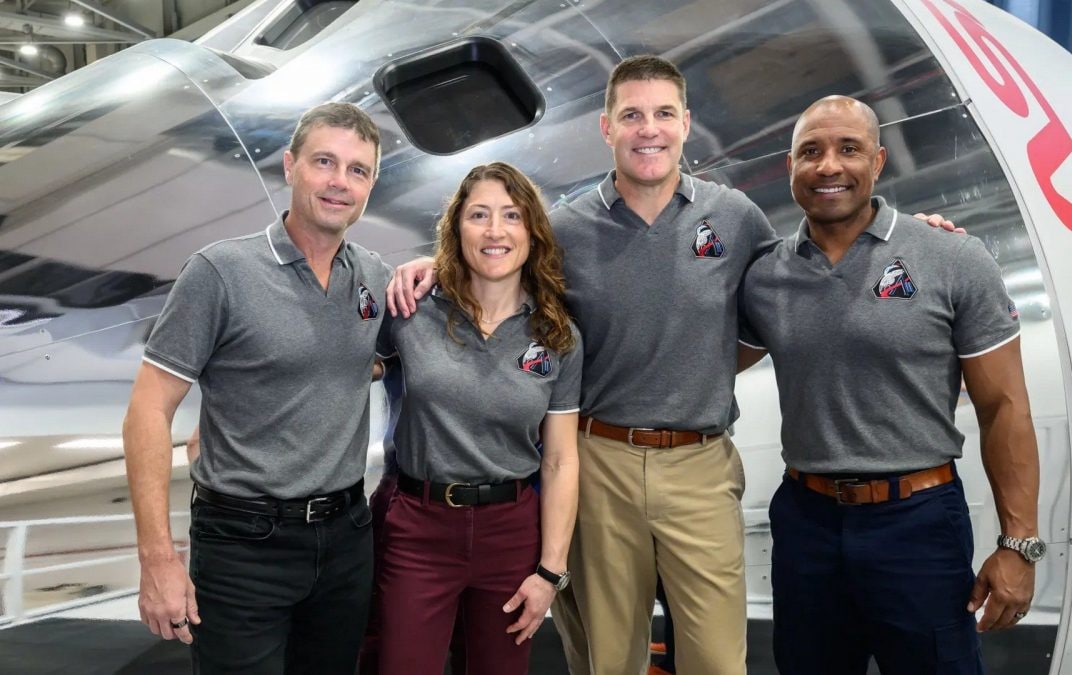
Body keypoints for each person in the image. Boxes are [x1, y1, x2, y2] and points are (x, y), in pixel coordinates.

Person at [388, 56, 960, 675]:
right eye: (631, 115)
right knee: (609, 660)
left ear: (685, 123)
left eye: (663, 114)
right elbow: (496, 265)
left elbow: (803, 276)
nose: (648, 129)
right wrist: (427, 266)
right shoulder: (564, 230)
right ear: (606, 128)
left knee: (716, 661)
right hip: (599, 461)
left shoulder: (736, 218)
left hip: (700, 466)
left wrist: (913, 239)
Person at [739, 95, 1042, 675]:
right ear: (791, 168)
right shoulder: (766, 275)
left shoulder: (951, 256)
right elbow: (702, 358)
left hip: (918, 524)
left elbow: (1004, 407)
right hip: (806, 523)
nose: (829, 165)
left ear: (878, 163)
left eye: (848, 149)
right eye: (812, 152)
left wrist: (1018, 545)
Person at [122, 102, 391, 674]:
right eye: (325, 162)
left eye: (358, 170)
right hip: (243, 544)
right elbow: (148, 409)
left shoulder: (373, 276)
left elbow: (367, 360)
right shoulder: (220, 272)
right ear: (290, 166)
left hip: (346, 537)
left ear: (370, 185)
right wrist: (157, 558)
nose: (340, 182)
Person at [373, 162, 582, 675]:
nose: (495, 231)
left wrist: (549, 572)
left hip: (509, 533)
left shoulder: (558, 336)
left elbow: (559, 461)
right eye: (479, 215)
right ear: (456, 228)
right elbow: (340, 374)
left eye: (511, 215)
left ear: (531, 231)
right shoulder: (409, 311)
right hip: (417, 527)